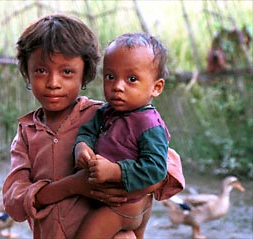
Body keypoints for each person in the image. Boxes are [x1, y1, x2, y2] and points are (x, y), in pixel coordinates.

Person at [2, 14, 138, 239]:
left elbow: (165, 162)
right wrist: (73, 185)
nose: (53, 83)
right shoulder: (26, 134)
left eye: (67, 72)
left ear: (85, 74)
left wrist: (116, 174)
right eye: (41, 71)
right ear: (27, 72)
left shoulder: (108, 117)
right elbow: (14, 202)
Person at [73, 33, 182, 239]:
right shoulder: (106, 111)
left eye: (132, 79)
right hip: (119, 202)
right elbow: (87, 132)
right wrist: (82, 146)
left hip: (124, 205)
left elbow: (156, 169)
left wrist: (115, 171)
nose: (117, 86)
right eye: (110, 77)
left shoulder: (149, 125)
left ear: (156, 87)